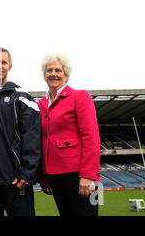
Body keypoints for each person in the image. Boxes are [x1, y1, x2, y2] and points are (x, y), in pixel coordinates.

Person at [0, 47, 41, 216]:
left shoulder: (22, 98)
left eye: (3, 62)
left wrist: (28, 172)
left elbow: (32, 136)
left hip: (16, 181)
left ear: (10, 66)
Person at [37, 53, 100, 216]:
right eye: (49, 70)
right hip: (55, 177)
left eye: (58, 70)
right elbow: (39, 141)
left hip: (81, 177)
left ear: (66, 75)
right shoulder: (40, 104)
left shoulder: (80, 97)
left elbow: (91, 137)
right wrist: (42, 175)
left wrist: (88, 175)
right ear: (44, 75)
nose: (53, 74)